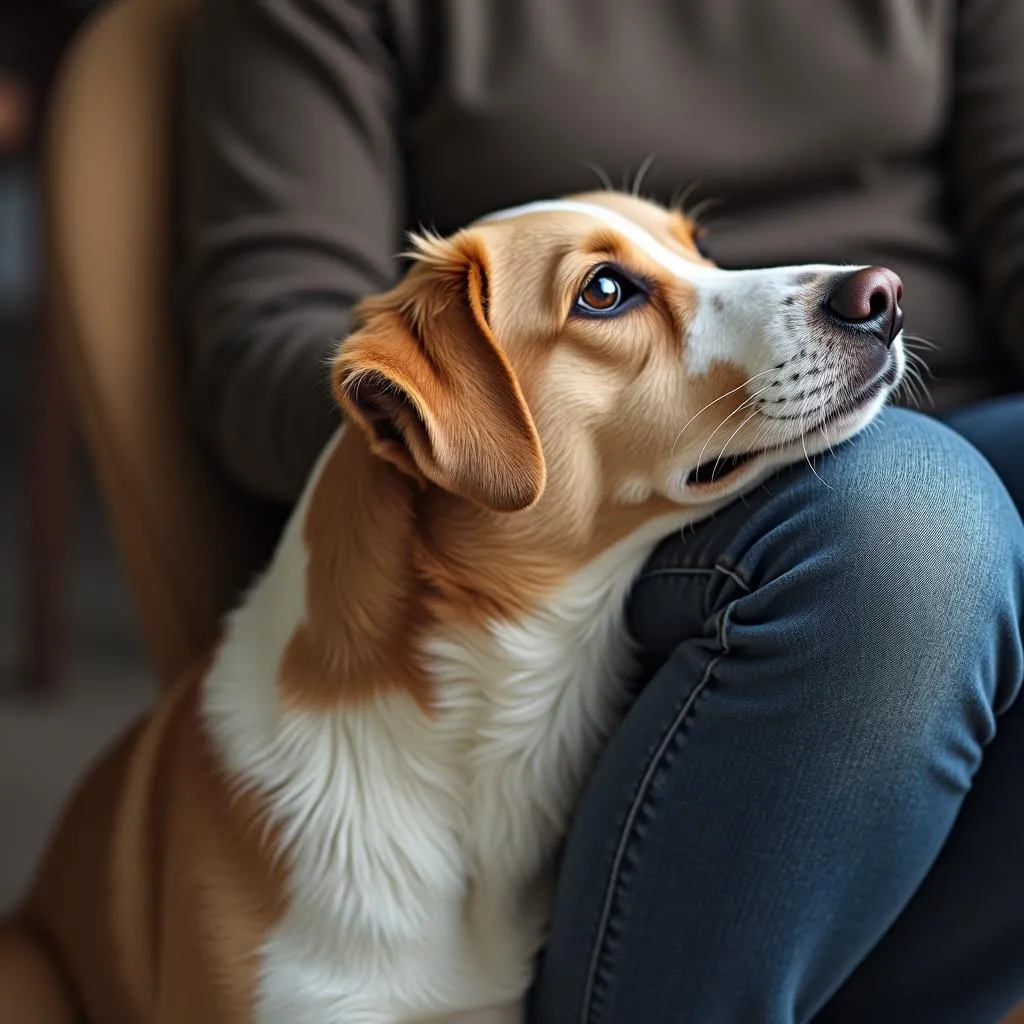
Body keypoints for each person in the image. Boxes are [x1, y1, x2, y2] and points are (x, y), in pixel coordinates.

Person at [182, 1, 1024, 1020]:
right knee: (915, 526)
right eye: (612, 293)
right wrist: (453, 420)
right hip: (675, 525)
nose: (861, 291)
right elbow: (269, 336)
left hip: (949, 416)